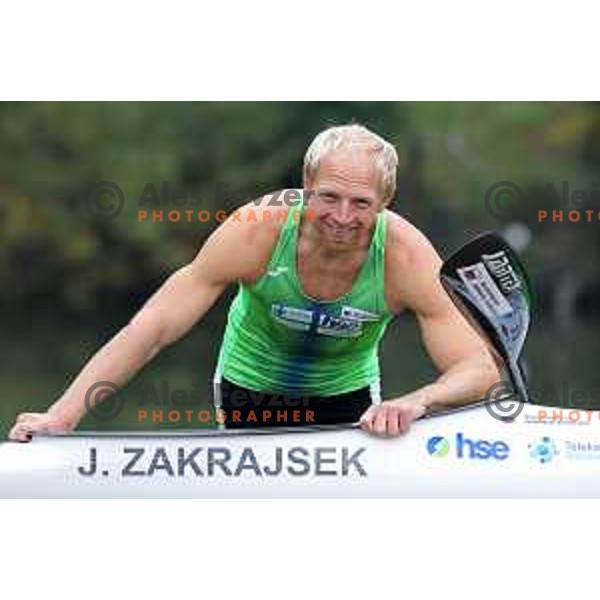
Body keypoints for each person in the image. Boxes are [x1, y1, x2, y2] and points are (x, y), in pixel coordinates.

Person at [9, 124, 500, 442]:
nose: (342, 217)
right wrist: (64, 415)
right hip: (250, 391)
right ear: (306, 184)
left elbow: (480, 368)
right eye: (328, 197)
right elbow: (153, 327)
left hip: (347, 400)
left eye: (361, 203)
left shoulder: (406, 257)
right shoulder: (256, 231)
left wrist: (417, 402)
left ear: (385, 202)